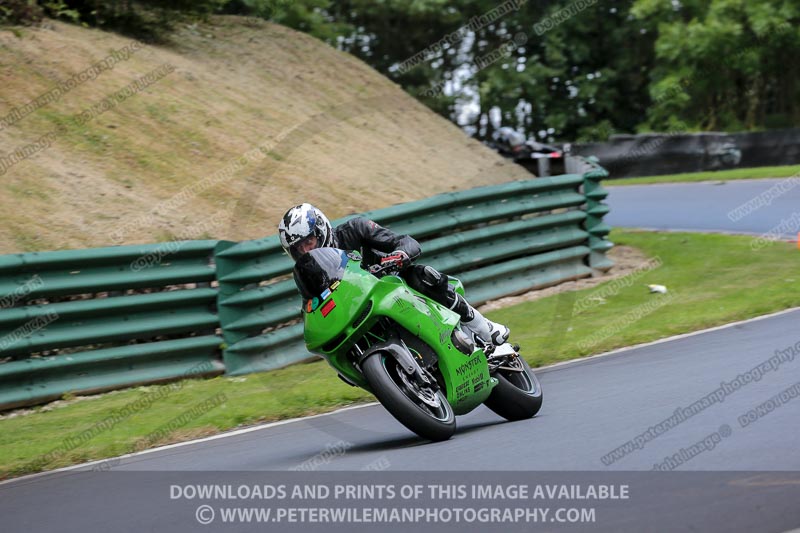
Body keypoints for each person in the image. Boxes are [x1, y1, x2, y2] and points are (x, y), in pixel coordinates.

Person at [278, 203, 510, 346]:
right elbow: (311, 305)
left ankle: (483, 326)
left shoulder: (356, 229)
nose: (308, 251)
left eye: (310, 241)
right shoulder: (312, 275)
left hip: (392, 284)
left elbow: (405, 242)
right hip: (359, 309)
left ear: (321, 230)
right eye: (300, 249)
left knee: (421, 275)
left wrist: (398, 255)